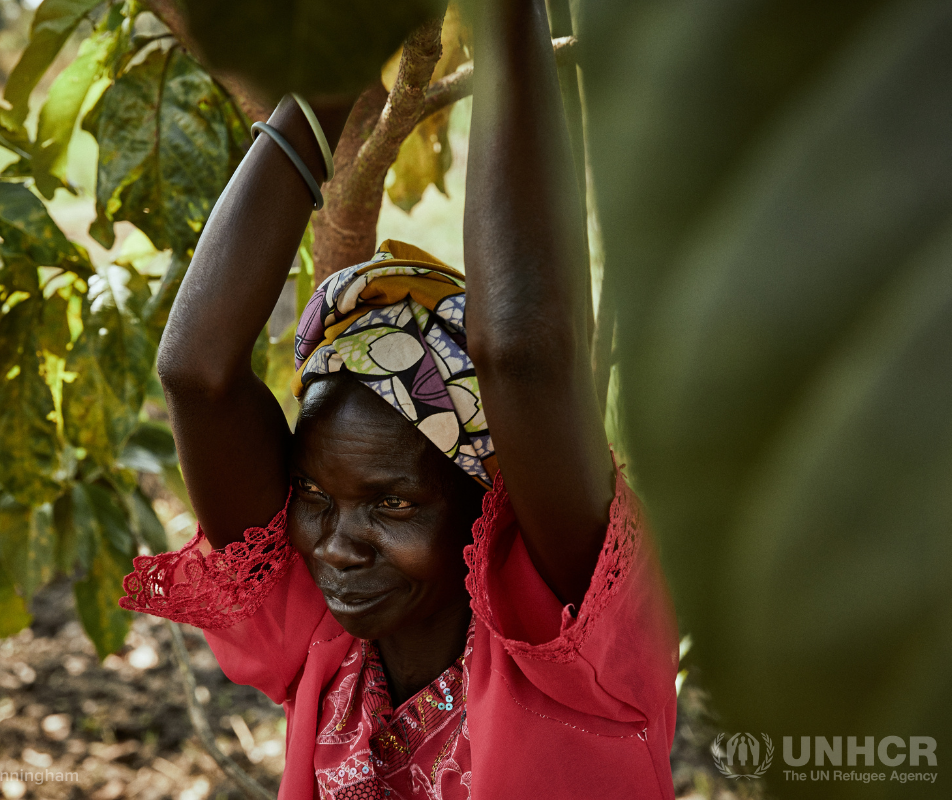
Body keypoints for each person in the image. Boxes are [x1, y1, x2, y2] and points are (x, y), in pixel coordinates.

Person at [119, 0, 680, 796]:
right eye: (314, 494)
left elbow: (521, 357)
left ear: (487, 501)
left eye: (392, 505)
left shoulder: (571, 642)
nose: (338, 545)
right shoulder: (318, 632)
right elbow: (196, 377)